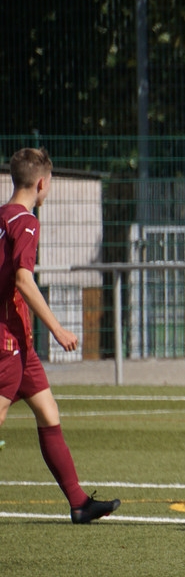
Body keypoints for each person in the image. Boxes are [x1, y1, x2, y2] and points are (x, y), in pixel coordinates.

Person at [0, 147, 119, 523]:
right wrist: (57, 327)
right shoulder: (27, 222)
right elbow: (23, 278)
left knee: (49, 414)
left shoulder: (2, 216)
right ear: (41, 183)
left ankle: (79, 503)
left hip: (21, 341)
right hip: (7, 341)